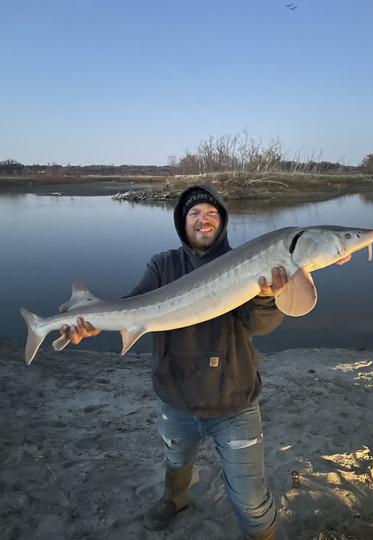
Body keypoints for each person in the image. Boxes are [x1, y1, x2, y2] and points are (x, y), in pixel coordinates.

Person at [60, 185, 287, 539]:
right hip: (176, 397)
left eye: (211, 213)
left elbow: (262, 325)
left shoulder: (248, 262)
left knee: (252, 500)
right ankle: (176, 499)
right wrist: (92, 320)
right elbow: (134, 304)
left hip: (234, 400)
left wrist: (267, 297)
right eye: (194, 213)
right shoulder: (163, 264)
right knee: (176, 463)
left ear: (222, 222)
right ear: (183, 223)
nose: (203, 219)